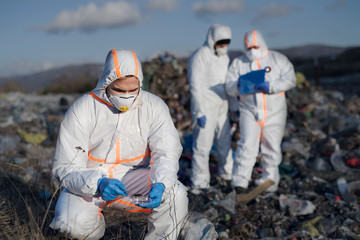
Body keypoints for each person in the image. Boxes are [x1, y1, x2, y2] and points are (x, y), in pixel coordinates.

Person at [49, 49, 189, 240]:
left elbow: (167, 152)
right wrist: (97, 183)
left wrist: (161, 183)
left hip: (133, 178)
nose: (127, 96)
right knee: (71, 224)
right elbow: (65, 168)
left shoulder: (153, 106)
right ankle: (94, 228)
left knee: (175, 194)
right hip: (90, 182)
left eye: (133, 90)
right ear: (106, 82)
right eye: (119, 90)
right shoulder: (83, 109)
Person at [225, 30, 296, 193]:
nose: (252, 50)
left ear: (262, 44)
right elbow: (229, 87)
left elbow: (290, 79)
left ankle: (269, 182)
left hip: (275, 112)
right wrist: (241, 85)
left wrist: (272, 87)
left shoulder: (278, 59)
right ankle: (240, 182)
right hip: (249, 111)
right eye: (249, 47)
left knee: (271, 147)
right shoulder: (239, 63)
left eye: (255, 46)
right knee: (247, 145)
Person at [188, 23, 237, 193]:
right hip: (206, 107)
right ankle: (200, 183)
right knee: (202, 147)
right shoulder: (200, 56)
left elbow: (228, 83)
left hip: (221, 106)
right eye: (220, 43)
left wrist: (233, 106)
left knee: (224, 142)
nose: (223, 47)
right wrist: (199, 111)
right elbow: (195, 85)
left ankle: (227, 175)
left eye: (226, 43)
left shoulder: (224, 58)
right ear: (213, 41)